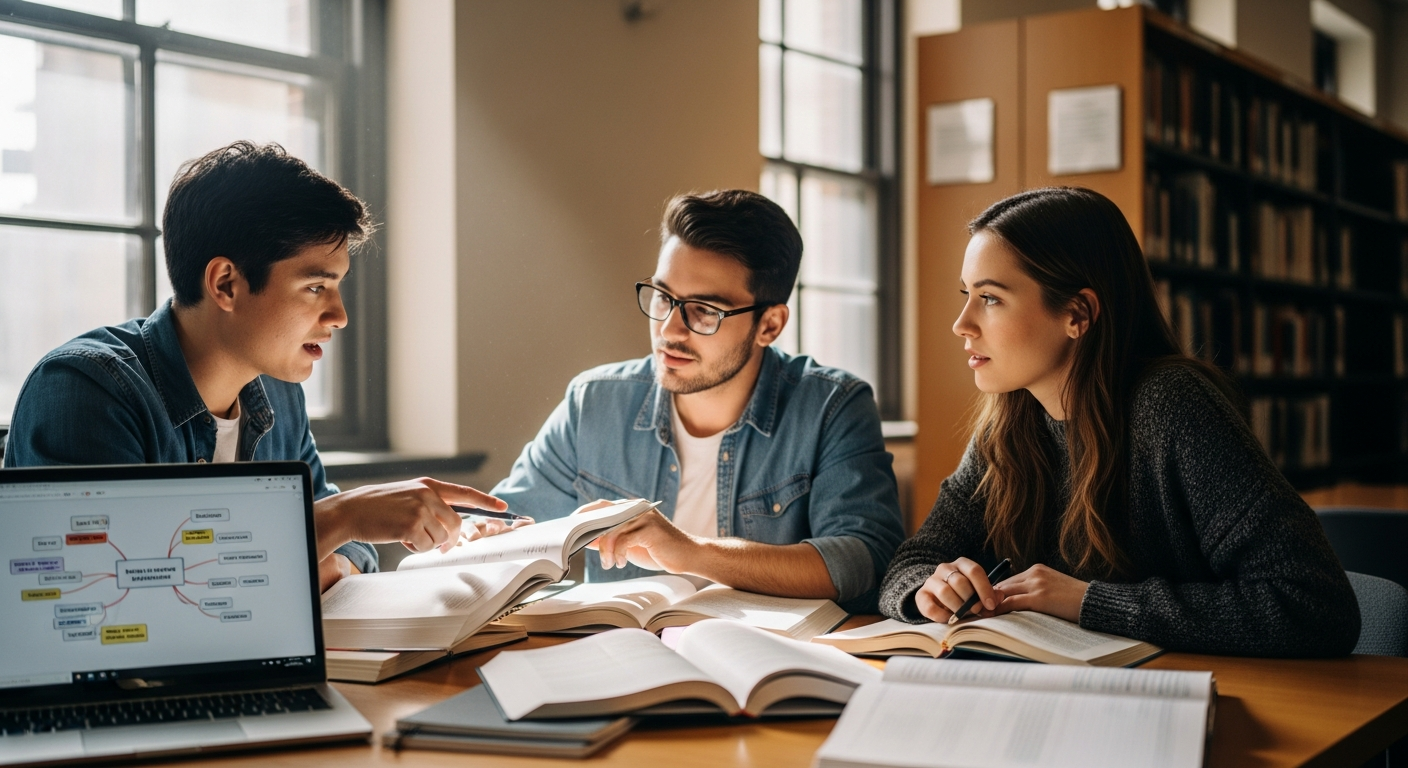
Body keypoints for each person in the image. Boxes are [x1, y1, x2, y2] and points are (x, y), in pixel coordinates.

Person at [3, 141, 515, 591]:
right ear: (226, 283)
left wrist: (323, 543)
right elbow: (122, 589)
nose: (339, 317)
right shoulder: (85, 390)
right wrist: (341, 519)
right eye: (316, 287)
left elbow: (354, 556)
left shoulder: (276, 390)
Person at [879, 187, 1359, 657]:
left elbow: (1315, 605)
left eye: (990, 298)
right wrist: (929, 588)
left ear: (1078, 313)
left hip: (1197, 700)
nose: (961, 323)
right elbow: (910, 563)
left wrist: (1090, 602)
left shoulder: (1172, 406)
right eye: (967, 294)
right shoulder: (1006, 425)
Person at [490, 190, 905, 612]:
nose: (670, 329)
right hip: (621, 659)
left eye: (704, 310)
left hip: (766, 661)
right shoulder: (594, 404)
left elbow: (863, 559)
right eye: (663, 297)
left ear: (770, 325)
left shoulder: (831, 407)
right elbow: (504, 525)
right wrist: (467, 532)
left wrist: (690, 552)